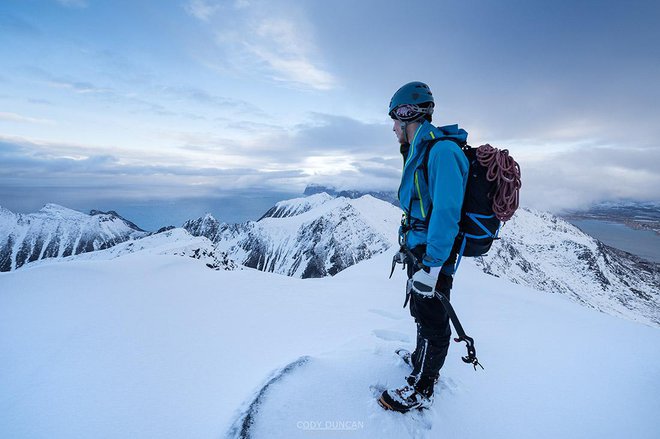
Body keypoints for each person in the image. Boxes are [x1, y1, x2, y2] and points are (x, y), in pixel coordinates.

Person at [378, 81, 470, 413]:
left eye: (395, 119)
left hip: (434, 256)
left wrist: (432, 266)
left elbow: (446, 212)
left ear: (409, 115)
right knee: (420, 310)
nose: (392, 127)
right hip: (421, 250)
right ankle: (420, 358)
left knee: (433, 318)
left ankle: (424, 385)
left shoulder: (441, 152)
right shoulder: (422, 148)